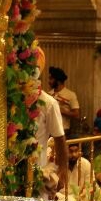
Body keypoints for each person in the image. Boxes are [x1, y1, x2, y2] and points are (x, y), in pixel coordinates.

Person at [33, 47, 68, 193]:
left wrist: (62, 171)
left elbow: (59, 139)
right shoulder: (9, 99)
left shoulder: (48, 103)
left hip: (38, 174)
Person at [48, 66, 80, 137]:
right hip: (49, 131)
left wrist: (61, 111)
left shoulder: (70, 94)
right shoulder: (49, 94)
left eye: (51, 79)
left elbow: (76, 114)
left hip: (63, 131)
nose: (49, 81)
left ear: (58, 81)